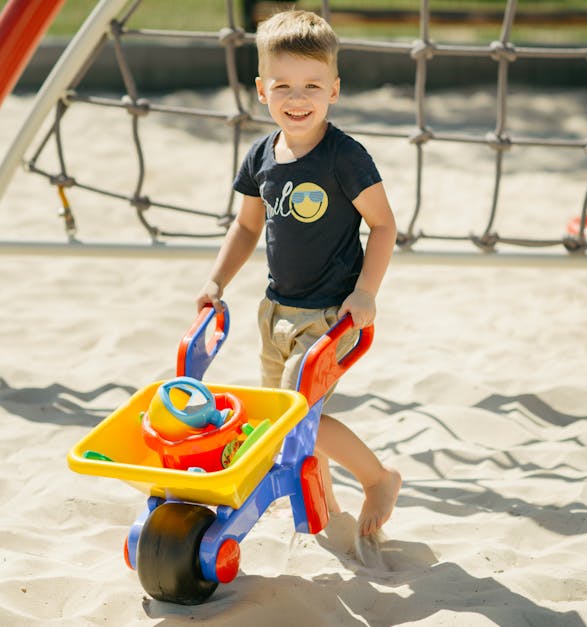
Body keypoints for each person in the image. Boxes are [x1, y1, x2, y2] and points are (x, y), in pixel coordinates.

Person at [195, 9, 401, 537]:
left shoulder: (344, 157)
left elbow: (382, 225)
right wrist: (216, 281)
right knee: (286, 420)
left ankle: (377, 478)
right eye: (283, 84)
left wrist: (366, 293)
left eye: (312, 85)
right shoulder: (261, 156)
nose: (297, 97)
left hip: (332, 314)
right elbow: (244, 228)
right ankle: (324, 508)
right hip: (275, 313)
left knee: (294, 415)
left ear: (334, 89)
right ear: (261, 90)